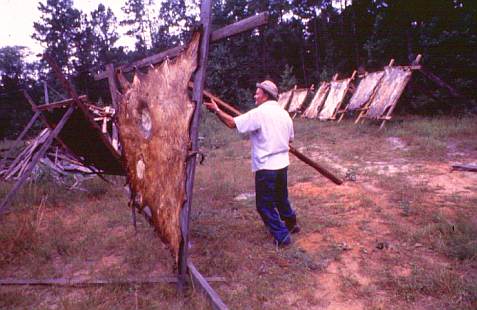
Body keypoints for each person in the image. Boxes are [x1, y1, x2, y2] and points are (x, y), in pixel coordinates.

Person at [204, 80, 300, 247]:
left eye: (257, 92)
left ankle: (282, 237)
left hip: (266, 167)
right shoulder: (284, 114)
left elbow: (232, 123)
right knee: (281, 198)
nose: (255, 95)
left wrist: (217, 111)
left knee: (264, 204)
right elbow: (290, 139)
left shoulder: (259, 113)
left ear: (265, 95)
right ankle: (292, 224)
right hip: (282, 165)